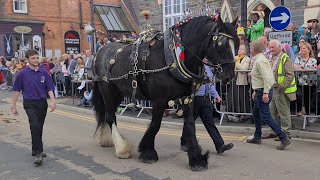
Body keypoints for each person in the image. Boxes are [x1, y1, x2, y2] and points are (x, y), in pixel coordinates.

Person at [11, 49, 56, 166]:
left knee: (38, 127)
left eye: (37, 58)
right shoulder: (22, 73)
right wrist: (13, 106)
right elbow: (16, 91)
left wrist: (53, 101)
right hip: (29, 103)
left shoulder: (44, 72)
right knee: (34, 125)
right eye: (33, 58)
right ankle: (38, 153)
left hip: (42, 103)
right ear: (28, 60)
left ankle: (35, 148)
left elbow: (49, 88)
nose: (36, 60)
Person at [246, 40, 291, 150]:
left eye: (250, 47)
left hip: (263, 91)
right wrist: (255, 91)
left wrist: (265, 92)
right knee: (256, 113)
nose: (249, 49)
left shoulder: (260, 61)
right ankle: (257, 136)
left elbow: (268, 78)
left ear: (253, 49)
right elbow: (260, 78)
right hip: (260, 90)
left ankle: (283, 137)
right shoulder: (258, 59)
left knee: (266, 116)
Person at [180, 64, 234, 154]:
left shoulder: (207, 68)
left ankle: (220, 145)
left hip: (205, 99)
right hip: (194, 100)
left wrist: (216, 95)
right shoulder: (192, 67)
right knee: (189, 122)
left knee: (210, 123)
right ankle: (184, 143)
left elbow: (209, 84)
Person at [267, 39, 297, 140]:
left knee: (283, 112)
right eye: (270, 47)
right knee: (272, 111)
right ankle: (275, 131)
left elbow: (290, 75)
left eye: (273, 47)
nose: (271, 49)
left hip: (282, 90)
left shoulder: (285, 58)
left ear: (279, 47)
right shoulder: (274, 58)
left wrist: (282, 86)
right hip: (275, 88)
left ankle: (286, 134)